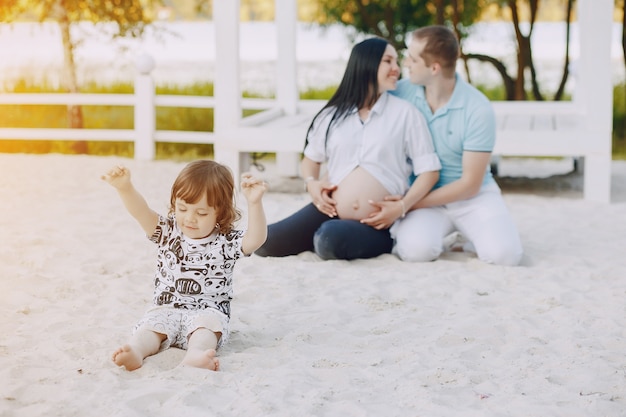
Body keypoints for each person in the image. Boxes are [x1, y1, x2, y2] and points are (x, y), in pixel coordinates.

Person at [254, 37, 441, 260]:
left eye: (397, 62)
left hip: (377, 223)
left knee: (329, 239)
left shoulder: (406, 114)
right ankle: (322, 236)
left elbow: (429, 171)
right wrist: (312, 185)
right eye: (388, 61)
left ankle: (334, 238)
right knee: (264, 242)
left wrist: (401, 207)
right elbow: (311, 159)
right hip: (327, 211)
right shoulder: (332, 115)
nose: (396, 69)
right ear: (366, 64)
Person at [101, 160, 267, 371]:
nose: (189, 218)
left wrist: (254, 203)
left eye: (202, 213)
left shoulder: (226, 241)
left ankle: (196, 355)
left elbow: (256, 239)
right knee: (150, 328)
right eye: (182, 208)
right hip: (167, 308)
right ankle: (136, 351)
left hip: (207, 310)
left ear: (221, 212)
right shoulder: (167, 232)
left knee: (206, 329)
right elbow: (140, 211)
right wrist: (125, 188)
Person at [379, 25, 523, 266]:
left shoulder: (478, 108)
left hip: (472, 197)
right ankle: (453, 233)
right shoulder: (401, 93)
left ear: (434, 68)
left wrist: (406, 205)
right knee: (416, 252)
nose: (405, 64)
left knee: (506, 256)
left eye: (412, 59)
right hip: (422, 195)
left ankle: (471, 237)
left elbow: (470, 184)